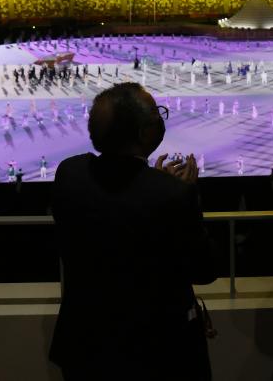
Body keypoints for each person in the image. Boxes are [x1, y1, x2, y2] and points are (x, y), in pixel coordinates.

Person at [50, 82, 215, 379]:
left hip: (86, 348)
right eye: (156, 115)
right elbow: (203, 270)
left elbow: (120, 208)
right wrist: (180, 193)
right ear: (143, 134)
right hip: (156, 354)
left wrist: (156, 183)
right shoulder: (173, 195)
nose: (160, 120)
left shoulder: (68, 175)